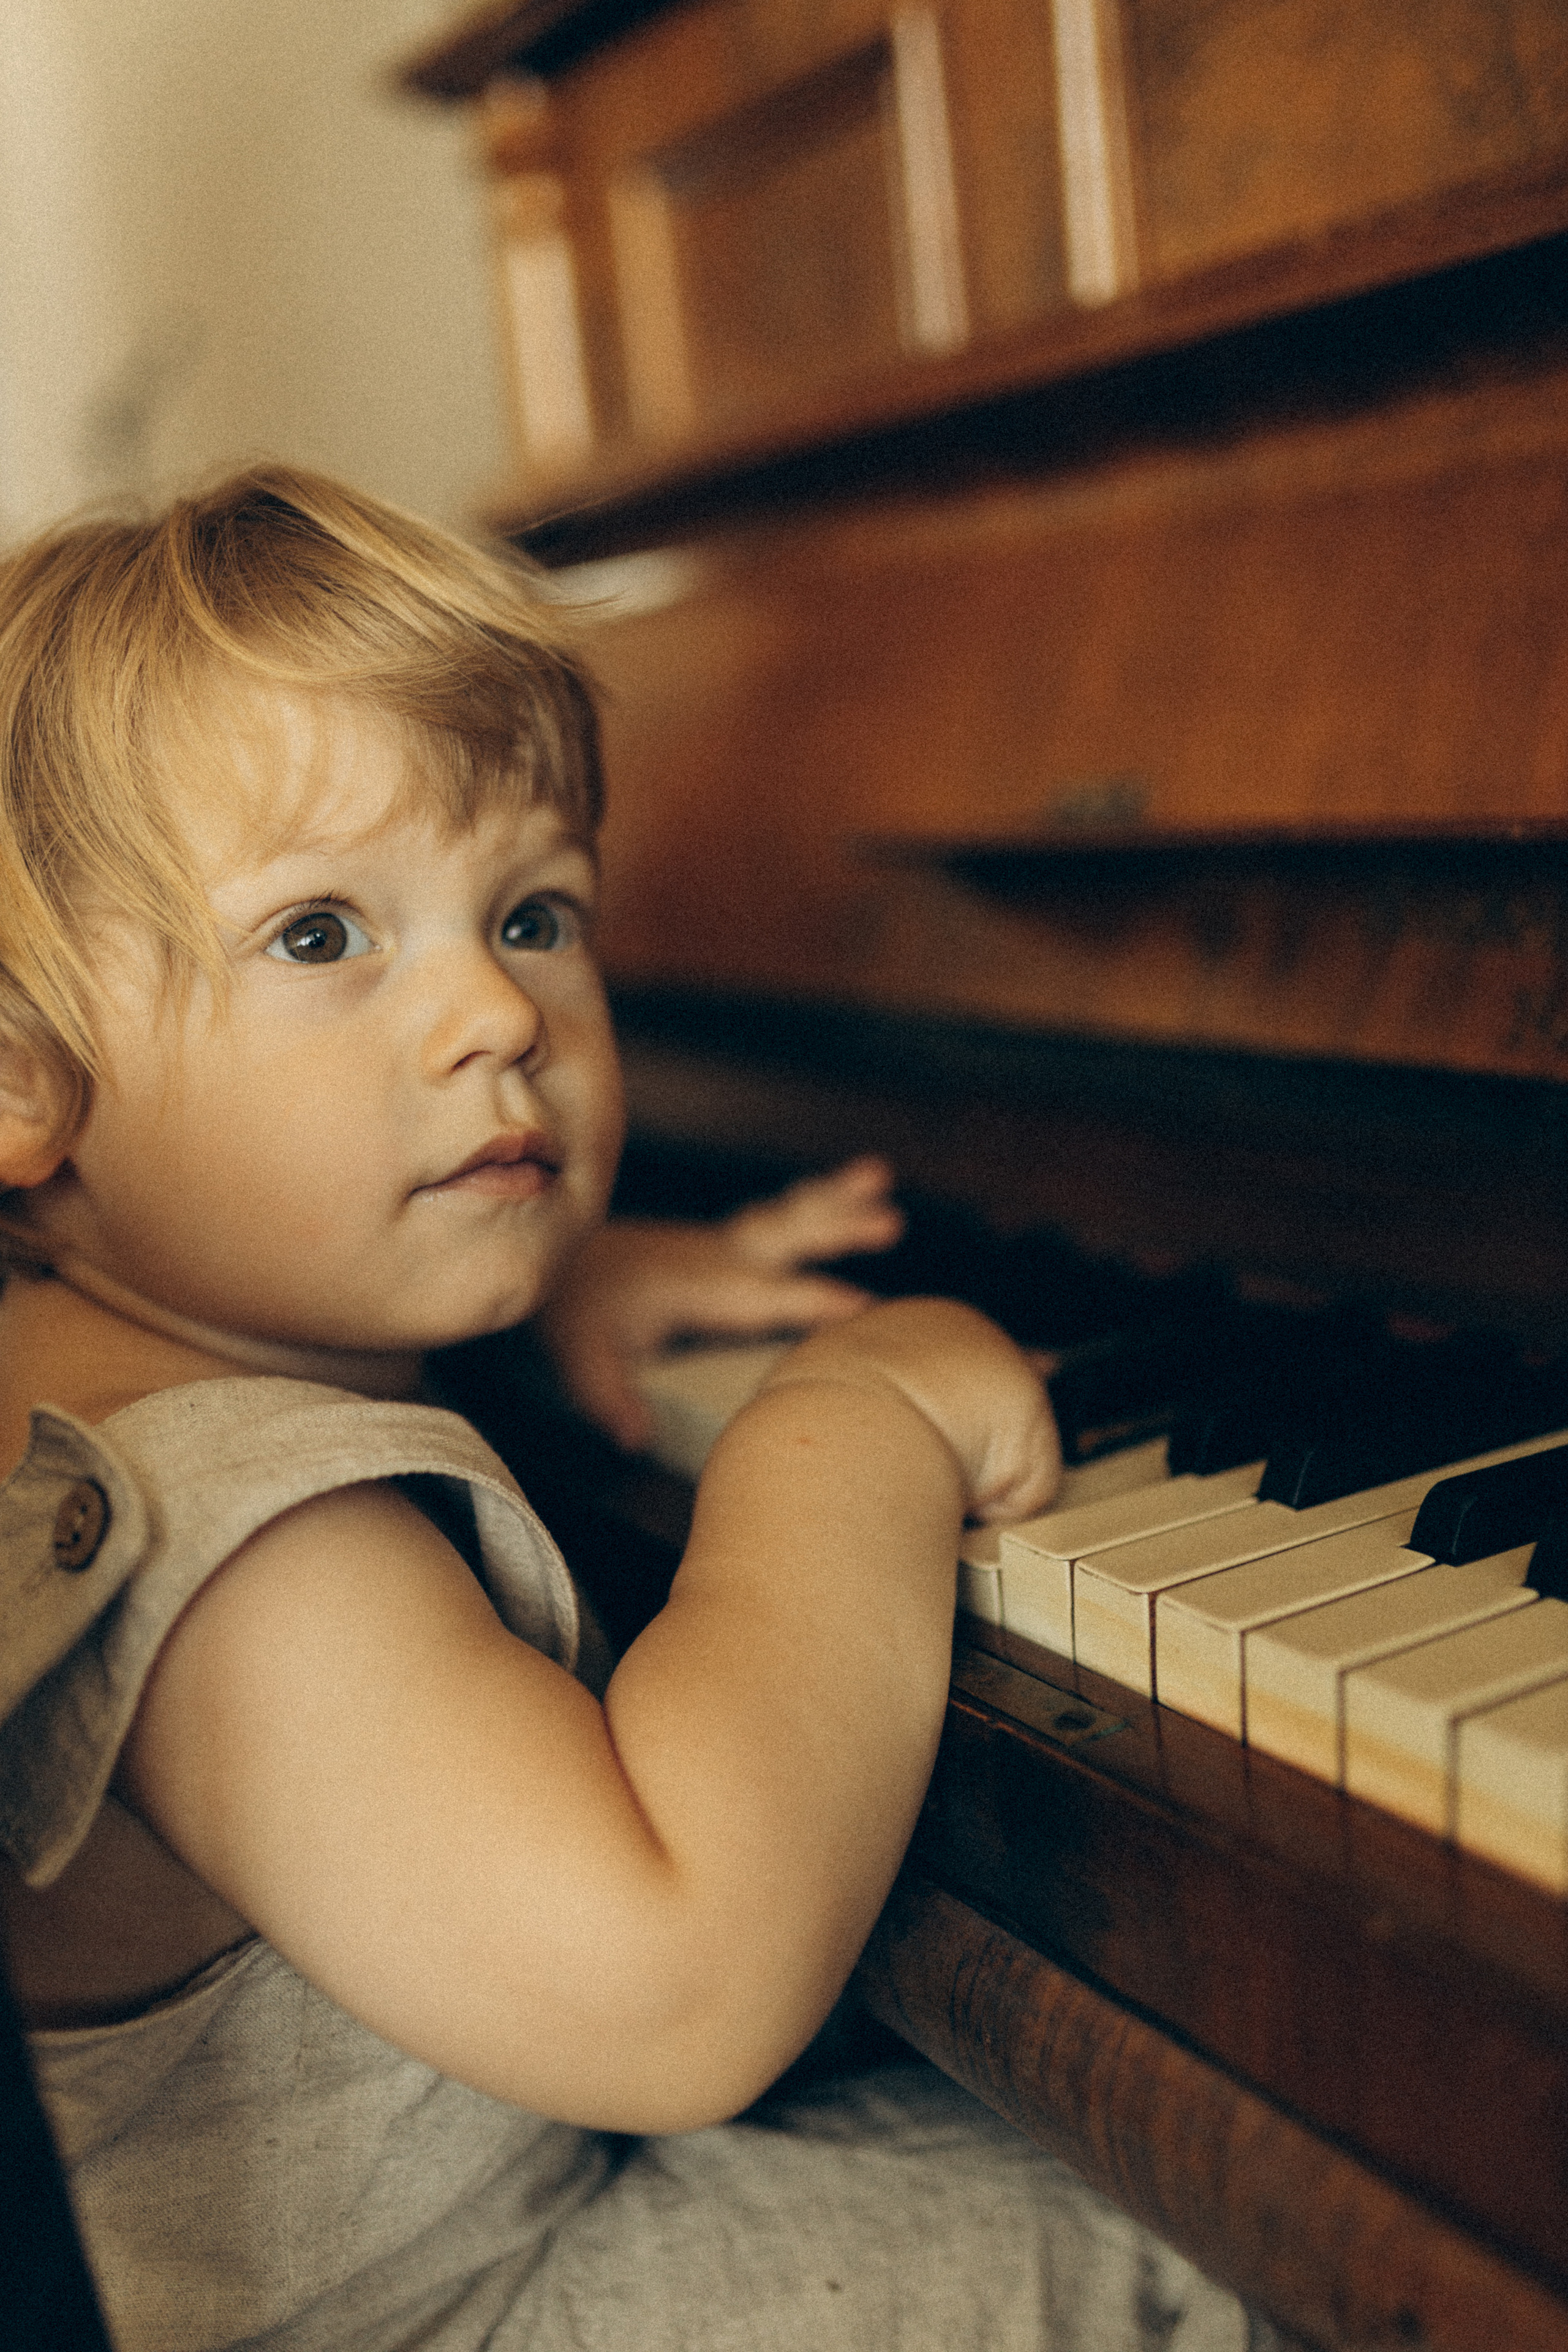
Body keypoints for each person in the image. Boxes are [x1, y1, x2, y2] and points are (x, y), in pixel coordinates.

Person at [0, 467, 1270, 2352]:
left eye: (533, 914)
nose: (497, 1016)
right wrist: (849, 1432)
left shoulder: (75, 1359)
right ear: (21, 1072)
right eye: (323, 937)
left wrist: (547, 1274)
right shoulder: (252, 1570)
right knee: (1230, 2232)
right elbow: (679, 1980)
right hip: (457, 2316)